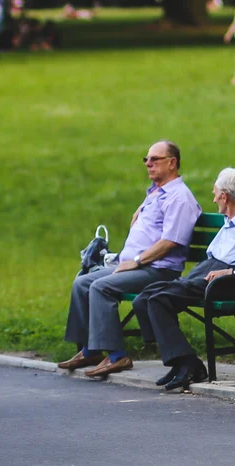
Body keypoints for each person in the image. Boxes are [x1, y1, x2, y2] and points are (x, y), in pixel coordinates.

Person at [57, 140, 202, 378]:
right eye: (146, 159)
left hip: (158, 269)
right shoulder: (157, 193)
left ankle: (117, 356)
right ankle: (90, 349)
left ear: (172, 163)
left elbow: (171, 242)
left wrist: (136, 261)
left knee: (101, 287)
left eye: (155, 159)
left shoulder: (180, 198)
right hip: (137, 265)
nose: (148, 164)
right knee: (82, 281)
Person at [132, 168, 235, 391]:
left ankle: (188, 363)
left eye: (215, 193)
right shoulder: (231, 219)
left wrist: (229, 273)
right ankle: (180, 361)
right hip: (208, 273)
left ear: (224, 197)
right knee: (145, 297)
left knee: (159, 299)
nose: (213, 198)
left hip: (224, 281)